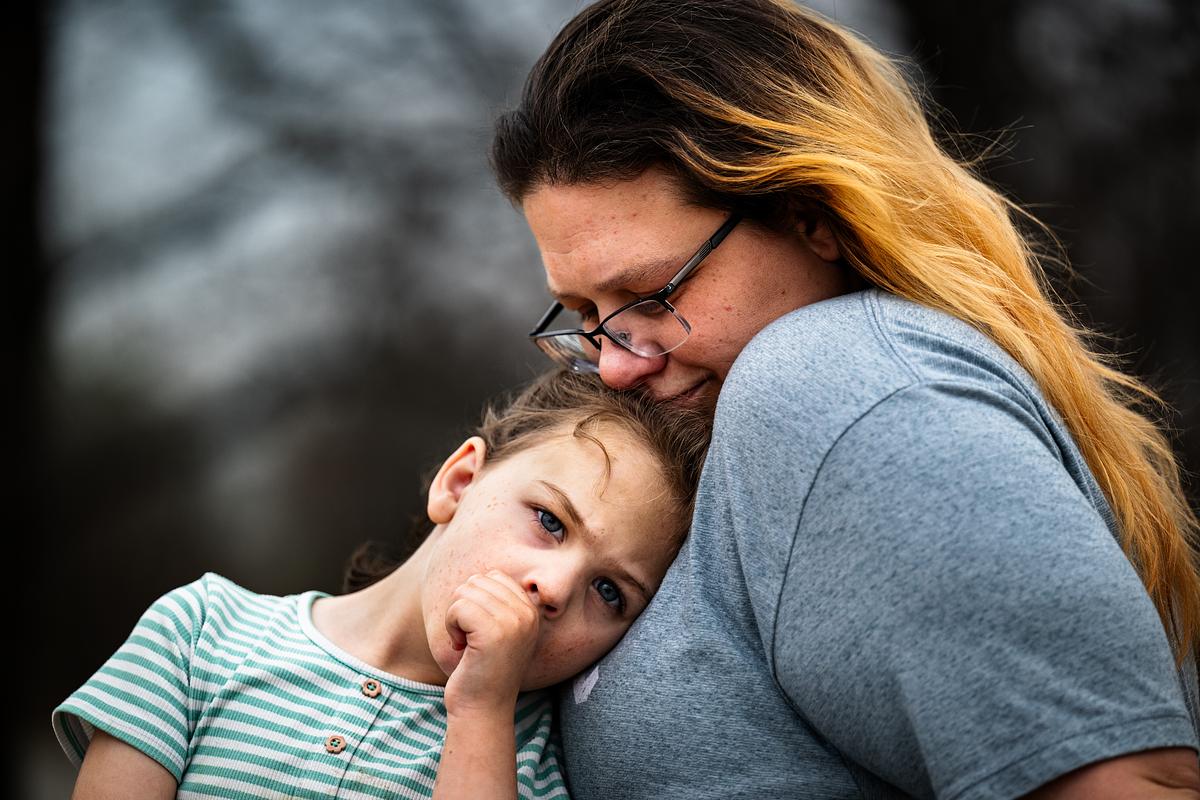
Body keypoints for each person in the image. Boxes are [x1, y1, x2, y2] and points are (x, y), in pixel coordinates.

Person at [491, 0, 1200, 796]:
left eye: (652, 294)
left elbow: (1137, 783)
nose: (615, 366)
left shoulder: (843, 385)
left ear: (811, 216)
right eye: (586, 317)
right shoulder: (727, 439)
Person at [53, 369, 709, 799]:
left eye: (610, 593)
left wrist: (480, 714)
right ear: (459, 483)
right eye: (549, 520)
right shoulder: (201, 632)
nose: (555, 588)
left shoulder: (533, 763)